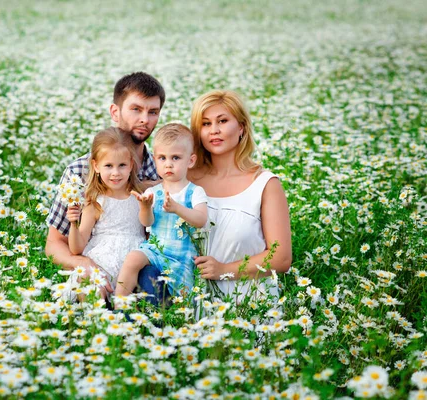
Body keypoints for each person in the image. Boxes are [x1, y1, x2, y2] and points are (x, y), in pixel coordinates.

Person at [45, 72, 167, 299]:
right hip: (99, 266)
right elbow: (54, 244)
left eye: (153, 112)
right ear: (115, 112)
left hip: (145, 271)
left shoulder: (162, 171)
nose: (145, 119)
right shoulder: (80, 171)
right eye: (136, 109)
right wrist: (85, 266)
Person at [188, 90, 292, 303]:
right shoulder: (185, 179)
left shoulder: (265, 184)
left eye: (222, 121)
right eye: (205, 124)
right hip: (190, 305)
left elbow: (281, 258)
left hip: (249, 305)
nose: (214, 131)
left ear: (241, 127)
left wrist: (224, 270)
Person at [115, 123, 208, 300]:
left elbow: (201, 219)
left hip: (180, 258)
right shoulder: (153, 192)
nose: (168, 164)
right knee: (133, 258)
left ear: (191, 160)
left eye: (176, 158)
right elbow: (147, 222)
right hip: (155, 250)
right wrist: (144, 208)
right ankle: (119, 304)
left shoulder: (194, 191)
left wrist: (177, 209)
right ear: (155, 159)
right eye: (162, 158)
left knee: (181, 300)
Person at [67, 127, 146, 292]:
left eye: (122, 165)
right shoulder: (95, 201)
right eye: (108, 165)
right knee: (90, 288)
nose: (115, 173)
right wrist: (73, 224)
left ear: (131, 164)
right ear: (96, 166)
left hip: (132, 267)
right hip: (101, 264)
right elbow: (77, 248)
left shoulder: (140, 196)